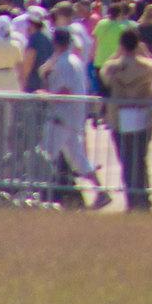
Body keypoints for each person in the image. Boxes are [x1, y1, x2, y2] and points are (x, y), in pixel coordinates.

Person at [40, 27, 113, 210]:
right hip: (72, 118)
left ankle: (43, 196)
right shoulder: (74, 60)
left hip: (61, 117)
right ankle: (101, 192)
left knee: (45, 156)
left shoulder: (64, 63)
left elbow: (65, 91)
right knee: (78, 159)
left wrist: (46, 94)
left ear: (55, 42)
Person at [99, 28, 152, 211]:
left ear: (122, 44)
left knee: (125, 159)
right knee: (140, 158)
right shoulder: (149, 66)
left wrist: (119, 53)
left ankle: (132, 198)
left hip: (119, 116)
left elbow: (104, 76)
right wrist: (144, 52)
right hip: (143, 115)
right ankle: (143, 196)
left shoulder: (112, 67)